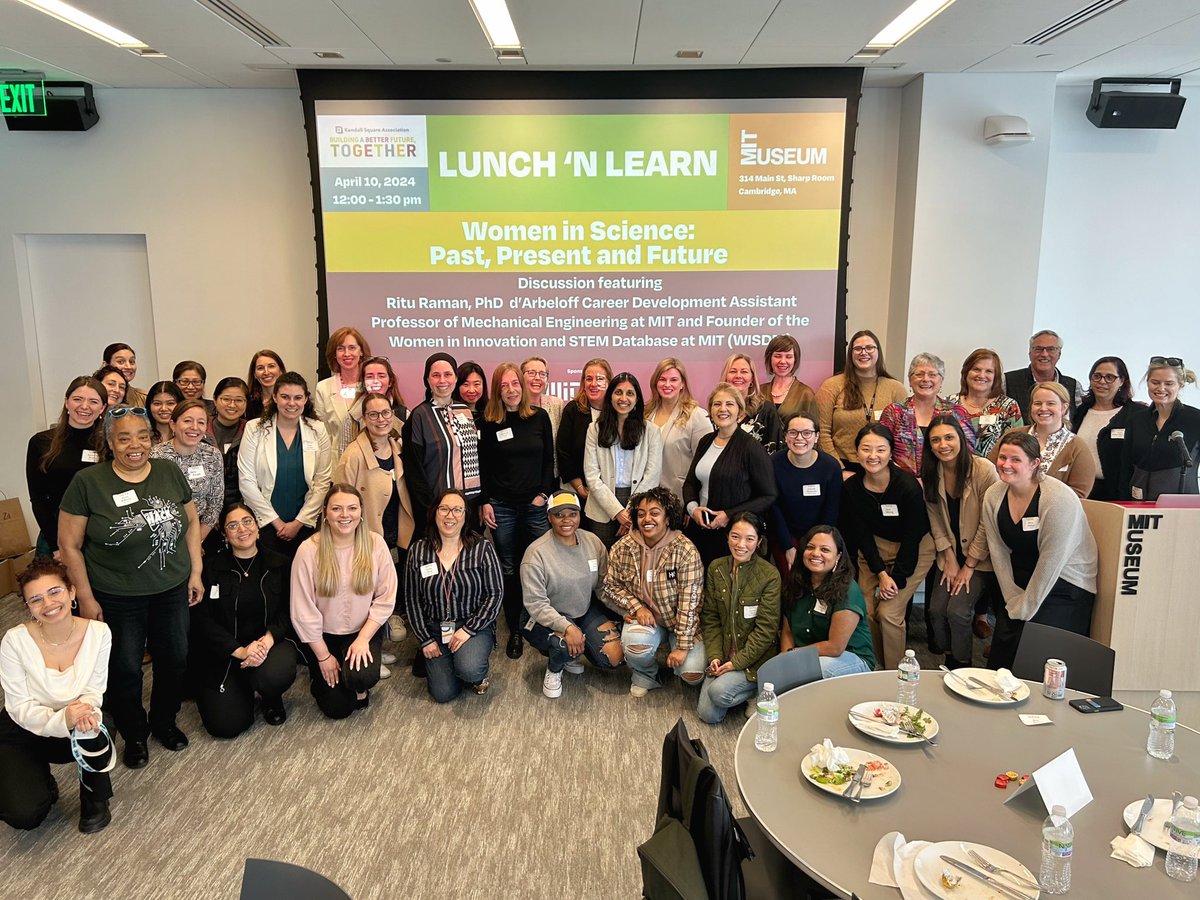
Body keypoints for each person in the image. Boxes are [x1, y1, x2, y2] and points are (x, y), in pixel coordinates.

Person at [58, 406, 203, 769]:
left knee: (174, 659)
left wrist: (196, 572)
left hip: (170, 587)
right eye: (124, 438)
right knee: (124, 668)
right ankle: (135, 733)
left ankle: (163, 722)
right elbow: (69, 546)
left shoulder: (169, 472)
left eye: (142, 436)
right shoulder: (88, 483)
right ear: (110, 443)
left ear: (153, 440)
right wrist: (86, 598)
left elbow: (191, 521)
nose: (134, 445)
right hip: (117, 594)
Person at [0, 558, 114, 833]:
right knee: (24, 815)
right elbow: (19, 706)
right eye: (35, 599)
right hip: (22, 729)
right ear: (28, 607)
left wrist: (85, 713)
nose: (48, 604)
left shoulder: (99, 633)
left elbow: (94, 690)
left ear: (72, 592)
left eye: (55, 592)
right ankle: (40, 778)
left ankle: (94, 797)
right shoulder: (14, 641)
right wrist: (63, 718)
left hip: (75, 722)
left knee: (100, 727)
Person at [981, 432, 1097, 670]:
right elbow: (998, 549)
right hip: (1021, 578)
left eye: (1015, 459)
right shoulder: (993, 494)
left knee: (1034, 654)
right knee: (1001, 659)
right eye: (1002, 457)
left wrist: (1024, 607)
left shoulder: (1057, 498)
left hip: (1064, 583)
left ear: (1034, 464)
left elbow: (1051, 561)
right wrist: (1011, 597)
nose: (1006, 465)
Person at [193, 503, 297, 736]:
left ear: (258, 527)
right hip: (226, 652)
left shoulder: (280, 564)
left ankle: (270, 695)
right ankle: (241, 688)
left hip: (268, 647)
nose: (242, 529)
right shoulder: (209, 569)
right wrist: (240, 651)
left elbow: (288, 611)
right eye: (233, 525)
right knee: (226, 726)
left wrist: (266, 642)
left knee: (273, 675)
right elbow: (203, 621)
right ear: (224, 535)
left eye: (247, 521)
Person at [291, 485, 395, 717]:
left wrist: (363, 639)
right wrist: (323, 656)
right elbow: (302, 611)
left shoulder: (376, 544)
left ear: (361, 511)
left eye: (351, 508)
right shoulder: (308, 550)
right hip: (323, 637)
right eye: (337, 508)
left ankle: (355, 682)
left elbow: (386, 598)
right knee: (338, 709)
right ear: (325, 513)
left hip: (361, 632)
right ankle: (321, 676)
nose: (345, 515)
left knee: (362, 676)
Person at [334, 391, 415, 678]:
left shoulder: (396, 446)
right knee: (363, 597)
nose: (381, 419)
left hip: (394, 530)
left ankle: (375, 648)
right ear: (364, 419)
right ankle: (368, 654)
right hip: (365, 535)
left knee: (381, 592)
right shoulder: (354, 454)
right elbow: (339, 500)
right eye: (373, 415)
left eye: (386, 413)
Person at [841, 424, 934, 670]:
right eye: (866, 449)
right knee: (865, 609)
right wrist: (881, 573)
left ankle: (894, 672)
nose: (873, 456)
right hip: (875, 548)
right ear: (857, 452)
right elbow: (861, 535)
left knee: (889, 613)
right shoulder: (852, 488)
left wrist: (897, 579)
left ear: (891, 452)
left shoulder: (907, 486)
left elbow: (913, 538)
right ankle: (871, 665)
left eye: (881, 449)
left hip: (914, 549)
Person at [478, 363, 556, 659]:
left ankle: (544, 622)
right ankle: (515, 627)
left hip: (535, 507)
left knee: (539, 564)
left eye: (515, 384)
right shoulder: (489, 421)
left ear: (523, 387)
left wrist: (543, 494)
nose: (511, 390)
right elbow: (483, 466)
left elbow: (549, 461)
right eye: (504, 385)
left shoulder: (540, 417)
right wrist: (485, 500)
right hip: (502, 508)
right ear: (497, 390)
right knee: (509, 567)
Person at [520, 490, 624, 699]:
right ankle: (555, 668)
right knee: (562, 644)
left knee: (613, 658)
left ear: (579, 516)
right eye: (559, 515)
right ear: (549, 517)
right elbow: (536, 604)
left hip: (583, 610)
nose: (567, 520)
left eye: (572, 514)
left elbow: (604, 586)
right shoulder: (536, 553)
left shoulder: (593, 542)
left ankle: (574, 650)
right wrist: (567, 627)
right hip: (544, 616)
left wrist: (625, 610)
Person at [604, 487, 706, 697]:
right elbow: (610, 586)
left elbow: (691, 602)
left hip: (681, 622)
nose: (646, 519)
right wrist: (637, 607)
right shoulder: (622, 548)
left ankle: (677, 654)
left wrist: (683, 646)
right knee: (635, 646)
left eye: (654, 513)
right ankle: (646, 674)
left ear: (668, 518)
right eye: (641, 514)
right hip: (646, 621)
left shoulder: (685, 550)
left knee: (693, 674)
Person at [404, 489, 503, 702]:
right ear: (434, 513)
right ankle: (450, 663)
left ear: (466, 515)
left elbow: (495, 594)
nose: (450, 516)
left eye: (457, 510)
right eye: (444, 509)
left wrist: (468, 629)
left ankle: (477, 673)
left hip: (473, 625)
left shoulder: (482, 548)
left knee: (469, 669)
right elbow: (411, 599)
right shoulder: (418, 551)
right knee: (443, 694)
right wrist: (425, 640)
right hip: (436, 628)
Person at [920, 414, 999, 669]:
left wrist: (969, 565)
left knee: (957, 611)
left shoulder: (983, 470)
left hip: (981, 558)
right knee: (935, 611)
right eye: (936, 440)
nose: (943, 445)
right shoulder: (932, 471)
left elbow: (990, 523)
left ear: (961, 439)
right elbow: (934, 519)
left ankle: (961, 664)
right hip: (951, 556)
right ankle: (946, 656)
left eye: (949, 437)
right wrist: (951, 559)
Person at [238, 372, 333, 560]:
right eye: (285, 397)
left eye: (298, 397)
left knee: (304, 580)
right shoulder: (254, 429)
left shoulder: (317, 429)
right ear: (275, 397)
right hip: (265, 524)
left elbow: (323, 481)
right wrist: (277, 523)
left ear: (306, 399)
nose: (291, 403)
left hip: (305, 524)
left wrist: (298, 522)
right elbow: (246, 480)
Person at [696, 513, 781, 724]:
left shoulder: (770, 575)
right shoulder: (717, 568)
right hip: (725, 652)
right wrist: (715, 656)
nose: (741, 544)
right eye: (735, 536)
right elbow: (711, 618)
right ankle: (734, 686)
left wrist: (736, 663)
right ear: (727, 537)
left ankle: (757, 690)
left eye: (749, 539)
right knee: (708, 715)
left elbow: (766, 630)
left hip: (755, 659)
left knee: (718, 694)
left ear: (759, 542)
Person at [683, 383, 776, 568]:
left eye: (729, 404)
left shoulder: (751, 447)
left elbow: (768, 495)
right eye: (717, 404)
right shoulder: (706, 441)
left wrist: (728, 515)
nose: (722, 409)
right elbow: (690, 484)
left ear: (740, 412)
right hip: (699, 529)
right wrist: (693, 510)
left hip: (732, 535)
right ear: (710, 410)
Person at [779, 526, 876, 677]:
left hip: (850, 657)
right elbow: (787, 631)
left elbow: (835, 647)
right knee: (781, 676)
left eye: (825, 549)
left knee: (811, 672)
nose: (816, 553)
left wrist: (794, 655)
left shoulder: (848, 590)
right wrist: (785, 660)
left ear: (838, 556)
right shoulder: (794, 584)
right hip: (805, 656)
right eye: (810, 547)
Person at [26, 375, 106, 556]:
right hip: (54, 533)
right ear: (67, 402)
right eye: (77, 399)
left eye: (93, 401)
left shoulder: (108, 444)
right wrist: (56, 545)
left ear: (102, 408)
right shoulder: (41, 442)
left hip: (99, 536)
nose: (84, 406)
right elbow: (37, 499)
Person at [401, 352, 482, 531]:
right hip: (437, 510)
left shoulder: (465, 411)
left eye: (448, 374)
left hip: (470, 506)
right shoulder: (419, 416)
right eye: (436, 375)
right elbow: (414, 471)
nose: (442, 380)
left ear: (455, 378)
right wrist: (430, 508)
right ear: (427, 380)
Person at [583, 373, 662, 547]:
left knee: (634, 561)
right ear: (610, 396)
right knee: (602, 560)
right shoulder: (594, 429)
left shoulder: (651, 431)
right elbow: (591, 475)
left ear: (637, 399)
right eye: (618, 392)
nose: (623, 398)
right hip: (601, 504)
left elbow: (652, 475)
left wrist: (631, 512)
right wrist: (617, 511)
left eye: (630, 393)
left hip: (639, 503)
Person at [815, 330, 907, 476]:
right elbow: (822, 432)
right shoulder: (831, 386)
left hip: (884, 470)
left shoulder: (896, 389)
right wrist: (839, 469)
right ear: (850, 354)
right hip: (842, 468)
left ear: (878, 351)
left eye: (869, 347)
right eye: (857, 349)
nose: (863, 352)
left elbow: (903, 436)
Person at [989, 382, 1095, 499]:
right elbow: (990, 471)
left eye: (1050, 403)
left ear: (1064, 408)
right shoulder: (1012, 435)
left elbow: (1079, 494)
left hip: (1054, 513)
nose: (1043, 408)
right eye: (1037, 403)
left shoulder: (1078, 447)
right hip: (1006, 506)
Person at [769, 410, 842, 572]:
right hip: (785, 534)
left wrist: (817, 547)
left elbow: (831, 513)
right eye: (793, 432)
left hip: (821, 535)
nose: (800, 438)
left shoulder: (831, 467)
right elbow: (774, 509)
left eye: (807, 433)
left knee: (817, 573)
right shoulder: (773, 464)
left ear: (816, 437)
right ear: (786, 436)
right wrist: (788, 547)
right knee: (792, 576)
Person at [879, 353, 975, 475]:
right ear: (910, 380)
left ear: (941, 381)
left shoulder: (956, 413)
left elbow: (969, 452)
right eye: (919, 374)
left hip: (946, 484)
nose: (925, 379)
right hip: (902, 484)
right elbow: (880, 449)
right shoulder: (894, 412)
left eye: (932, 374)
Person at [1119, 356, 1200, 500]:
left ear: (1180, 385)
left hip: (1181, 508)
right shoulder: (1136, 420)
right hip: (1139, 507)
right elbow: (1125, 468)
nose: (1161, 388)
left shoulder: (1195, 419)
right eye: (1155, 382)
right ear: (1148, 382)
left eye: (1169, 383)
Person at [151, 399, 224, 545]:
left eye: (201, 422)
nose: (194, 427)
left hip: (204, 532)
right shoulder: (155, 457)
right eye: (188, 421)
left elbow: (215, 501)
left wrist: (197, 539)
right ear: (173, 424)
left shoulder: (212, 455)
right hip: (165, 533)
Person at [1071, 357, 1140, 501]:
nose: (1102, 382)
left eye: (1109, 377)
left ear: (1122, 381)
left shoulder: (1135, 415)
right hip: (1081, 491)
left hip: (1118, 493)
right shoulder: (1080, 412)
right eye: (1097, 376)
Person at [644, 357, 712, 502]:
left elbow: (705, 465)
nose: (667, 384)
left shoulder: (697, 416)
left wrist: (693, 502)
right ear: (656, 382)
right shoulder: (645, 414)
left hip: (681, 499)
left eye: (673, 380)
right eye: (662, 379)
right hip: (648, 500)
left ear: (682, 384)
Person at [950, 348, 1023, 459]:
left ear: (996, 377)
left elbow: (1018, 447)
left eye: (989, 371)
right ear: (966, 372)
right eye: (976, 369)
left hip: (994, 473)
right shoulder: (948, 404)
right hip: (951, 472)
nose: (981, 375)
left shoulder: (1008, 407)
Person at [557, 358, 611, 507]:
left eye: (600, 379)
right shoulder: (573, 410)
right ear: (583, 383)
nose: (594, 384)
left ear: (609, 382)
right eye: (589, 379)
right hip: (576, 491)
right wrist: (579, 487)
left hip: (609, 493)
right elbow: (563, 451)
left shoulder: (616, 411)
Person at [313, 326, 371, 457]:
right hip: (336, 463)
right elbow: (321, 433)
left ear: (361, 352)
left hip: (370, 464)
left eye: (352, 348)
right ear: (334, 354)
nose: (346, 354)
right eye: (340, 349)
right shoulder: (323, 388)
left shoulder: (371, 385)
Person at [1003, 330, 1080, 421]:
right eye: (1038, 349)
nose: (1044, 354)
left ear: (1059, 354)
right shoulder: (1007, 381)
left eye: (1051, 349)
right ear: (1029, 353)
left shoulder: (1074, 386)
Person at [721, 352, 783, 452]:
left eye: (744, 372)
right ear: (726, 378)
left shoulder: (766, 410)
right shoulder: (717, 409)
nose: (738, 376)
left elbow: (775, 450)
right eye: (733, 371)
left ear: (752, 379)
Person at [209, 376, 250, 509]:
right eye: (226, 399)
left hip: (243, 506)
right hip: (206, 506)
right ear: (215, 400)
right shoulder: (200, 430)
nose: (232, 405)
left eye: (239, 400)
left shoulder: (253, 431)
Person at [760, 334, 816, 425]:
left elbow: (814, 430)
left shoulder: (805, 393)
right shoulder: (759, 392)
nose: (782, 361)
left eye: (788, 356)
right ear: (769, 358)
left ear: (795, 360)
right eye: (778, 356)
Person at [520, 356, 564, 463]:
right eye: (531, 373)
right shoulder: (514, 407)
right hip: (524, 473)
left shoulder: (556, 404)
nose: (537, 378)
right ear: (521, 377)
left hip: (552, 474)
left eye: (542, 374)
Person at [245, 349, 286, 419]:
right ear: (254, 374)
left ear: (281, 370)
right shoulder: (248, 402)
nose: (266, 372)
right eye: (260, 368)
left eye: (271, 366)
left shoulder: (294, 398)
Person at [146, 381, 183, 445]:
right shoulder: (143, 436)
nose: (164, 409)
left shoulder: (187, 435)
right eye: (157, 403)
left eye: (170, 403)